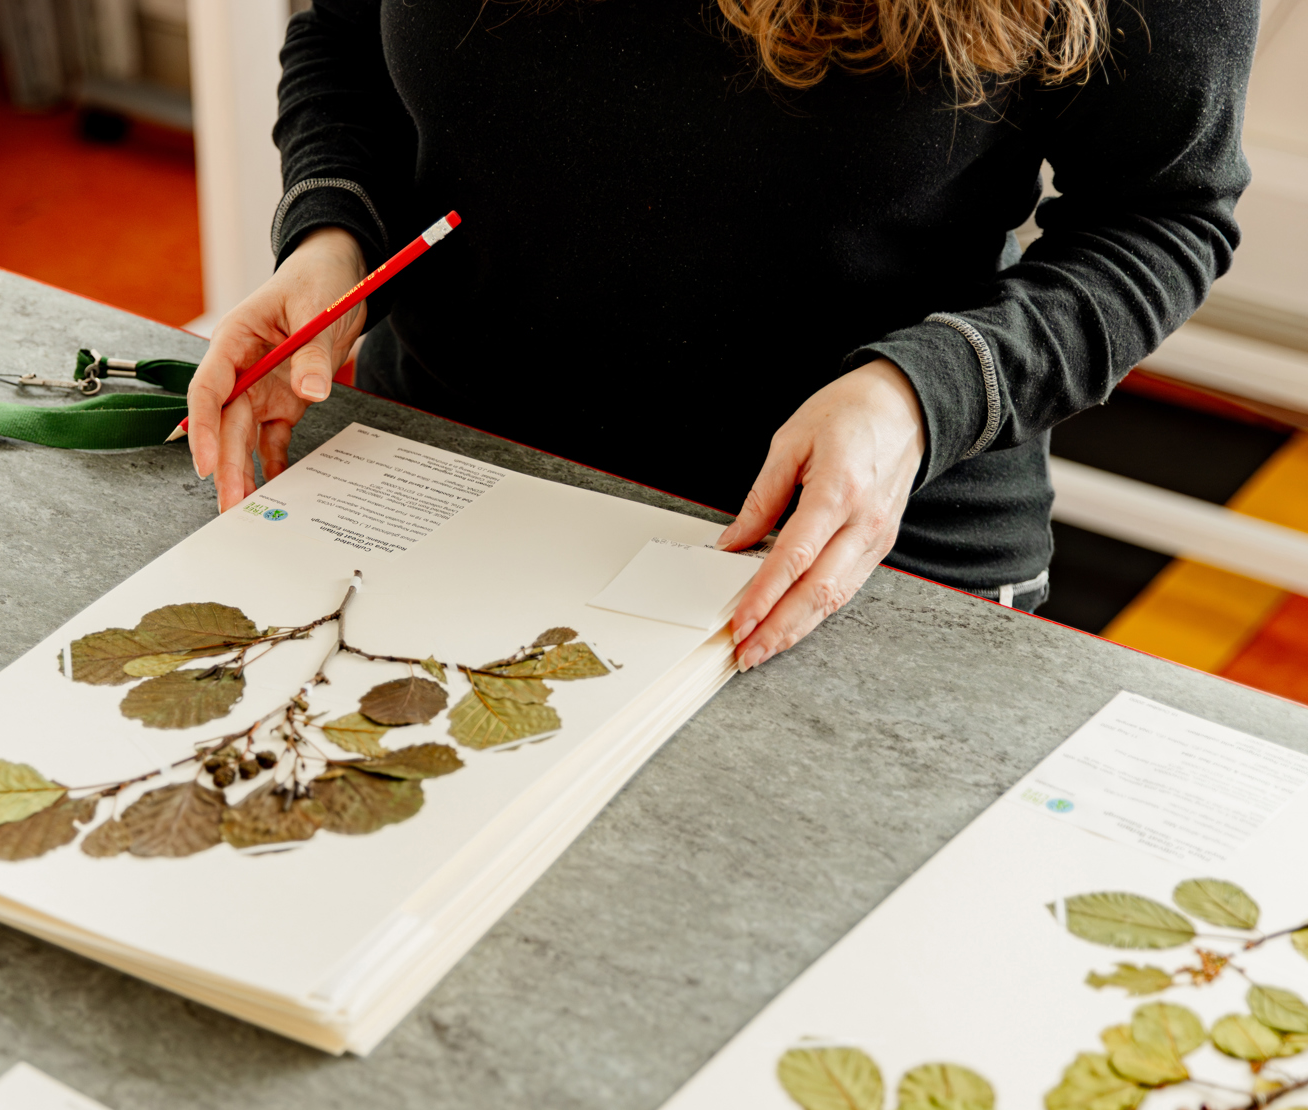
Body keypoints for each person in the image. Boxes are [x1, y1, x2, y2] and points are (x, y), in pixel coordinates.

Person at [183, 0, 1256, 670]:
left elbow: (1162, 213)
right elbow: (344, 38)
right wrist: (330, 234)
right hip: (452, 468)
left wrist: (917, 396)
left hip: (825, 540)